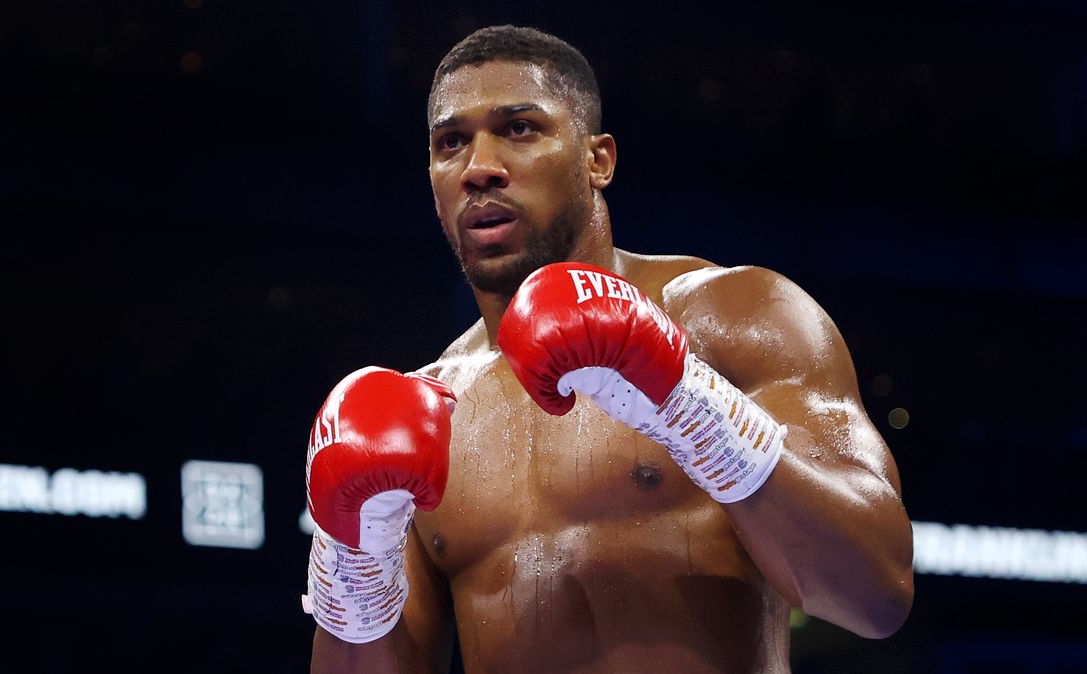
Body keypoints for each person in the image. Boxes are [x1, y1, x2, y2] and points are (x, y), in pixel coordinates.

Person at [303, 25, 913, 673]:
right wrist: (352, 562)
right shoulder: (423, 417)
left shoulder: (735, 318)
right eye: (451, 143)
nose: (479, 167)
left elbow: (874, 596)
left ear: (598, 160)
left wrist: (687, 402)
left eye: (519, 128)